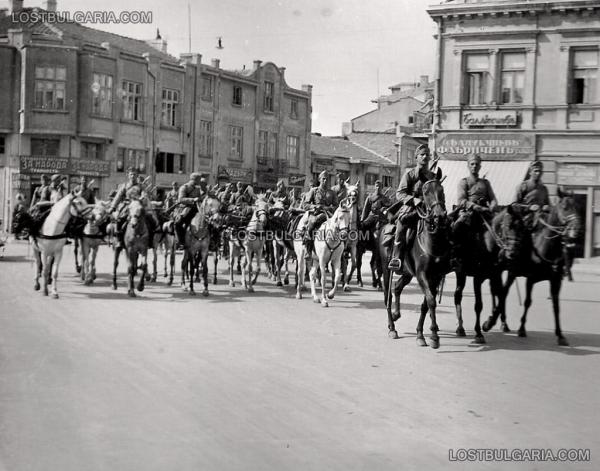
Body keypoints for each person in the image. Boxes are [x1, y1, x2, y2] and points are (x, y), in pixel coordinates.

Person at [388, 144, 437, 271]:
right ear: (416, 157)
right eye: (422, 154)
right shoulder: (409, 175)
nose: (425, 156)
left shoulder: (432, 176)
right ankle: (397, 258)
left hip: (428, 211)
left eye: (427, 154)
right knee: (401, 226)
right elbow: (400, 194)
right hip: (411, 209)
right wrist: (414, 200)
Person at [451, 153, 498, 270]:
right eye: (472, 164)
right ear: (468, 166)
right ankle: (454, 256)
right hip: (468, 212)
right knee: (457, 227)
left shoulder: (485, 183)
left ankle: (498, 257)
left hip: (484, 212)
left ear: (480, 166)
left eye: (477, 164)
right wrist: (474, 206)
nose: (474, 166)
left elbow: (492, 198)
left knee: (500, 227)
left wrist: (493, 205)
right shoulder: (464, 182)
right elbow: (461, 200)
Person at [302, 170, 338, 255]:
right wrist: (314, 206)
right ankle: (308, 249)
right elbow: (305, 204)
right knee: (311, 225)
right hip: (316, 214)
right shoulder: (314, 191)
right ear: (319, 180)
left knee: (340, 227)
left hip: (328, 215)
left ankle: (342, 251)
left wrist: (329, 208)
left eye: (327, 179)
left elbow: (336, 206)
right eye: (323, 179)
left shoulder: (332, 193)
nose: (325, 181)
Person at [109, 168, 144, 247]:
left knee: (149, 218)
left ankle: (150, 239)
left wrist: (142, 198)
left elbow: (144, 194)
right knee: (120, 219)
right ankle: (119, 240)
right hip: (127, 206)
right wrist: (112, 207)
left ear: (137, 176)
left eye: (134, 174)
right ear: (128, 175)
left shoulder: (141, 186)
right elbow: (118, 197)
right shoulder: (124, 186)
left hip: (138, 205)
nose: (133, 176)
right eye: (131, 174)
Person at [174, 172, 205, 244]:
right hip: (186, 209)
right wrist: (193, 199)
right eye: (199, 180)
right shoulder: (184, 187)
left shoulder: (198, 189)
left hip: (197, 209)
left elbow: (200, 198)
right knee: (178, 223)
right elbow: (181, 199)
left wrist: (202, 198)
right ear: (195, 179)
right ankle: (181, 241)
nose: (199, 181)